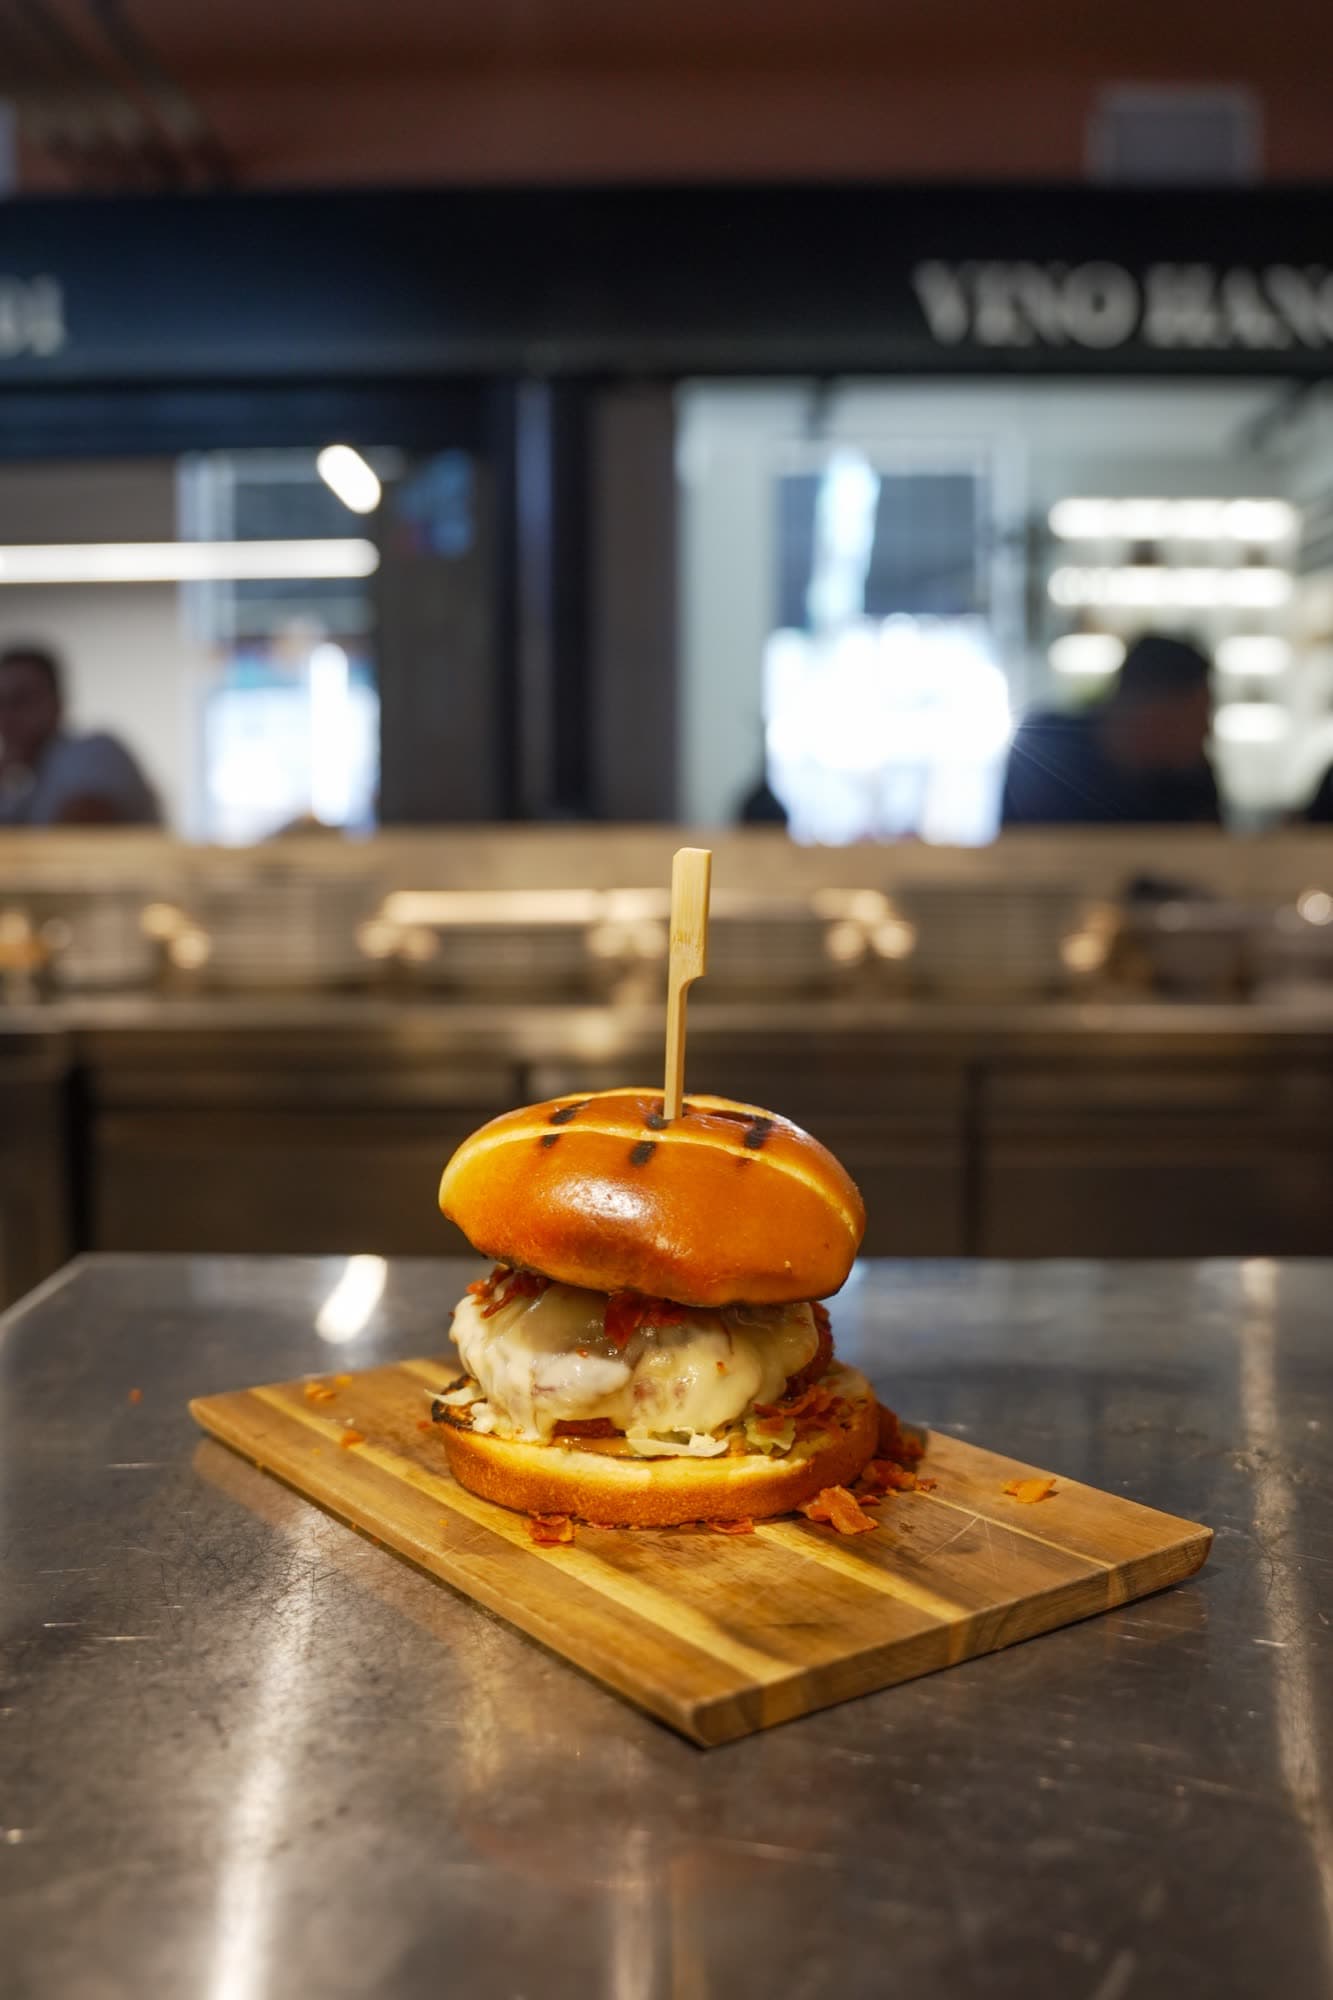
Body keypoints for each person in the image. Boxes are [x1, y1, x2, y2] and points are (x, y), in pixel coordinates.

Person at [1001, 633, 1220, 827]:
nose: (1207, 731)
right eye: (1197, 716)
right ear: (1154, 713)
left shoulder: (1191, 776)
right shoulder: (1047, 749)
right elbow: (1017, 855)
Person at [0, 645, 161, 827]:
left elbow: (74, 836)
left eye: (21, 700)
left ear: (57, 704)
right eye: (1, 702)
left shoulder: (94, 754)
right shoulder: (25, 786)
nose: (7, 715)